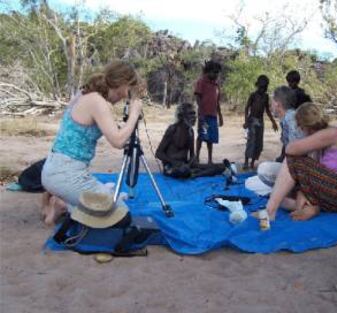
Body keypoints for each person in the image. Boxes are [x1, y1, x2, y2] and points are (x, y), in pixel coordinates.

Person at [41, 60, 143, 225]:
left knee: (102, 199)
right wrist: (134, 114)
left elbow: (110, 132)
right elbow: (117, 141)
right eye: (129, 89)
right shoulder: (97, 102)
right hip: (67, 175)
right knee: (122, 217)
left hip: (54, 169)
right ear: (123, 84)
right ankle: (64, 204)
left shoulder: (85, 95)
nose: (127, 94)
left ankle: (59, 204)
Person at [262, 102, 337, 222]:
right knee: (281, 197)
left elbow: (290, 149)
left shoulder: (334, 133)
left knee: (293, 160)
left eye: (300, 126)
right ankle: (311, 207)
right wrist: (302, 191)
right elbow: (310, 176)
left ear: (304, 125)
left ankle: (270, 211)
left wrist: (303, 191)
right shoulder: (320, 142)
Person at [245, 86, 304, 196]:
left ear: (277, 104)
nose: (270, 105)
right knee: (254, 180)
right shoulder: (288, 117)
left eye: (272, 101)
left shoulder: (291, 119)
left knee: (263, 170)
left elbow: (297, 151)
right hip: (298, 168)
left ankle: (293, 191)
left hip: (303, 170)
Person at [156, 103, 226, 178]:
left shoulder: (190, 132)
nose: (194, 117)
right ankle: (195, 173)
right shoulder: (173, 129)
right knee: (183, 171)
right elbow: (158, 153)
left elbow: (192, 155)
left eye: (194, 114)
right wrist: (173, 162)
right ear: (181, 116)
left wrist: (191, 162)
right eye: (190, 114)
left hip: (185, 165)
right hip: (171, 166)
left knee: (221, 167)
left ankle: (194, 173)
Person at [243, 75, 278, 170]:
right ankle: (246, 162)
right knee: (251, 142)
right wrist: (246, 121)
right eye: (261, 87)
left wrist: (273, 122)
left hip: (260, 121)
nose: (262, 89)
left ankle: (252, 163)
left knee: (258, 143)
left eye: (264, 87)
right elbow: (247, 108)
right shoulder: (253, 95)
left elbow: (267, 110)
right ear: (257, 85)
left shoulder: (266, 97)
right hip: (252, 120)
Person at [194, 60, 224, 164]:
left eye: (217, 73)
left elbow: (217, 101)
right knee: (202, 136)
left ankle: (210, 159)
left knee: (210, 138)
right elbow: (198, 97)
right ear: (208, 71)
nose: (216, 75)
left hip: (213, 115)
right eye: (215, 72)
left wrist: (220, 115)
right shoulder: (201, 82)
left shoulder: (216, 85)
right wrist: (201, 113)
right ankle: (196, 157)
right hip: (204, 115)